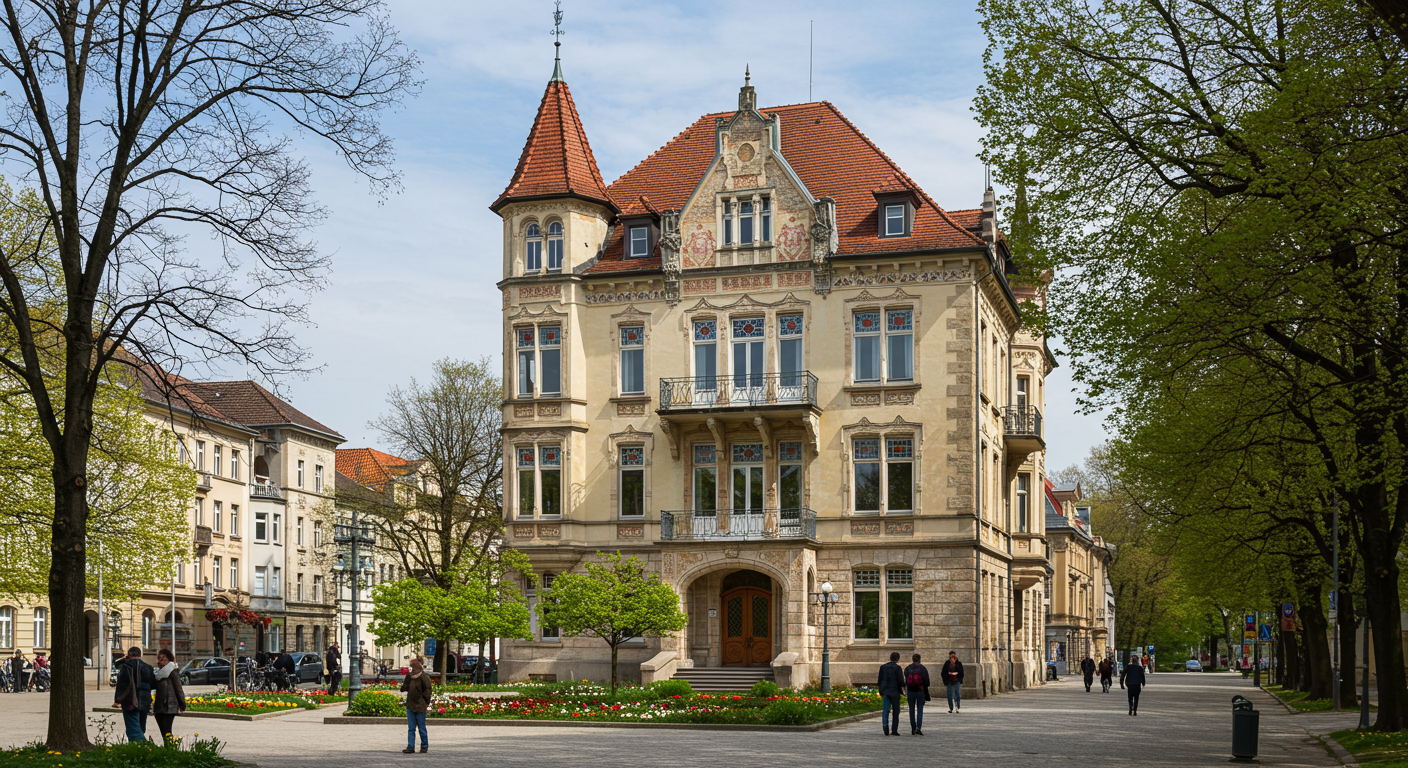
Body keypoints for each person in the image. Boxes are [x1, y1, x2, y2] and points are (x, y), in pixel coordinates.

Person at [113, 646, 155, 742]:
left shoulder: (126, 666)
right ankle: (136, 747)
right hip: (145, 700)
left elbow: (122, 684)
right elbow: (153, 684)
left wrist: (118, 699)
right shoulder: (148, 667)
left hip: (130, 700)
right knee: (140, 726)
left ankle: (143, 746)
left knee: (133, 727)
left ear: (129, 655)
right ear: (140, 655)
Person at [151, 649, 186, 743]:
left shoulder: (172, 671)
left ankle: (170, 748)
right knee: (163, 731)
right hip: (159, 705)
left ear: (169, 659)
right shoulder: (158, 673)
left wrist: (182, 704)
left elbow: (178, 688)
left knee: (167, 730)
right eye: (159, 658)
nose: (161, 659)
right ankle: (168, 748)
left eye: (163, 658)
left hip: (169, 705)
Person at [401, 657, 432, 754]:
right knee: (412, 728)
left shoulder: (424, 677)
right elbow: (405, 687)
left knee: (420, 727)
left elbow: (427, 691)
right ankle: (411, 747)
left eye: (413, 666)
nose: (412, 669)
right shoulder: (409, 676)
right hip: (411, 704)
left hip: (420, 705)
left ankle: (424, 746)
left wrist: (426, 702)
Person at [876, 651, 905, 736]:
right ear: (898, 659)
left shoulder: (883, 667)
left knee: (886, 710)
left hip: (885, 691)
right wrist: (903, 689)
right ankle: (894, 730)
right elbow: (901, 681)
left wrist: (881, 689)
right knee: (896, 711)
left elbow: (880, 679)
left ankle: (885, 726)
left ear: (890, 658)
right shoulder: (898, 668)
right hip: (895, 692)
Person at [903, 653, 931, 736]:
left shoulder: (908, 668)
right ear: (919, 659)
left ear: (912, 659)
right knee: (919, 710)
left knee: (911, 710)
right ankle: (918, 728)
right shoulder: (922, 668)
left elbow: (906, 680)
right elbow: (927, 682)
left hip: (910, 691)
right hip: (920, 691)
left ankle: (913, 728)